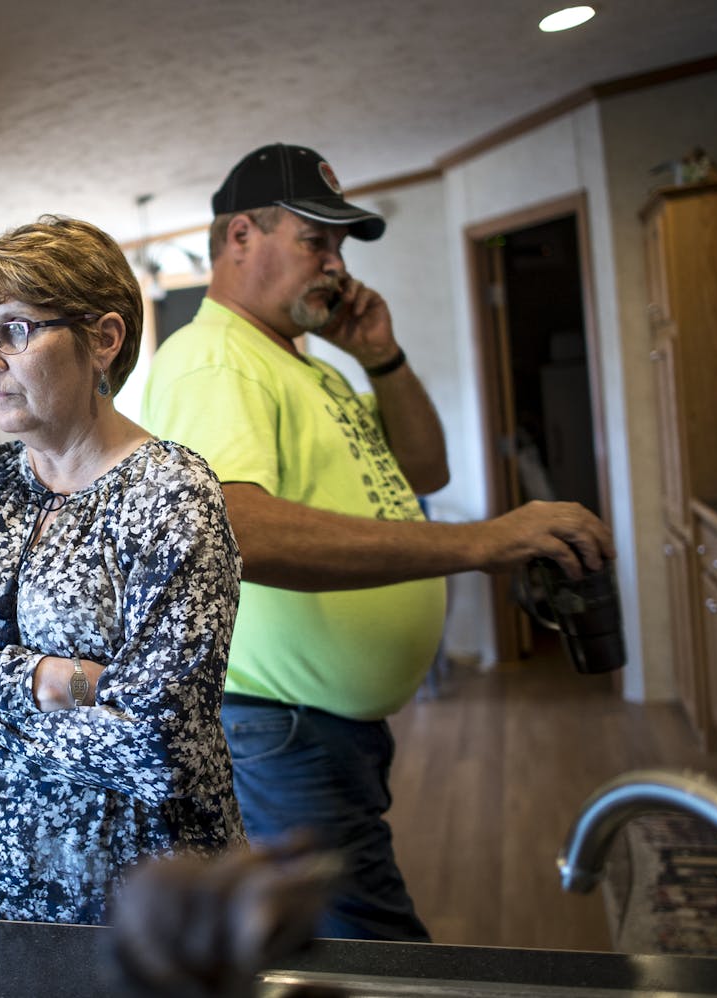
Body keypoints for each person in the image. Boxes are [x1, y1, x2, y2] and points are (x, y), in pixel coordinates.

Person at [141, 143, 615, 942]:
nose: (334, 264)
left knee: (335, 953)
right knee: (380, 958)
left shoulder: (307, 364)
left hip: (326, 727)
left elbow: (425, 465)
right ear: (241, 238)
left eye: (340, 247)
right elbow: (237, 532)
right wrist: (481, 543)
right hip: (280, 728)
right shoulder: (213, 360)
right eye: (313, 242)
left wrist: (382, 358)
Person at [0, 214, 245, 926]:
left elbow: (158, 746)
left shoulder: (171, 493)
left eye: (14, 329)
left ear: (103, 338)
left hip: (134, 909)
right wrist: (50, 680)